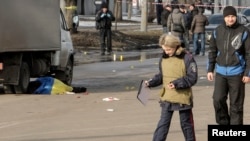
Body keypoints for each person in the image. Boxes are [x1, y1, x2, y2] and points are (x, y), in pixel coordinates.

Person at [145, 34, 198, 141]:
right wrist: (151, 82)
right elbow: (162, 75)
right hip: (167, 97)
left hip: (183, 97)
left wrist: (177, 83)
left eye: (169, 49)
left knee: (186, 124)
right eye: (164, 49)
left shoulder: (187, 57)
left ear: (176, 46)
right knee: (163, 124)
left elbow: (192, 77)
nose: (166, 52)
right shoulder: (163, 58)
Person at [207, 6, 250, 125]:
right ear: (224, 17)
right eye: (228, 16)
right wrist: (210, 69)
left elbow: (249, 53)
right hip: (220, 72)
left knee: (236, 105)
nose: (230, 19)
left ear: (236, 17)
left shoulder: (243, 31)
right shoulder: (217, 31)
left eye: (232, 16)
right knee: (217, 100)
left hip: (237, 73)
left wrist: (247, 73)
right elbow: (212, 51)